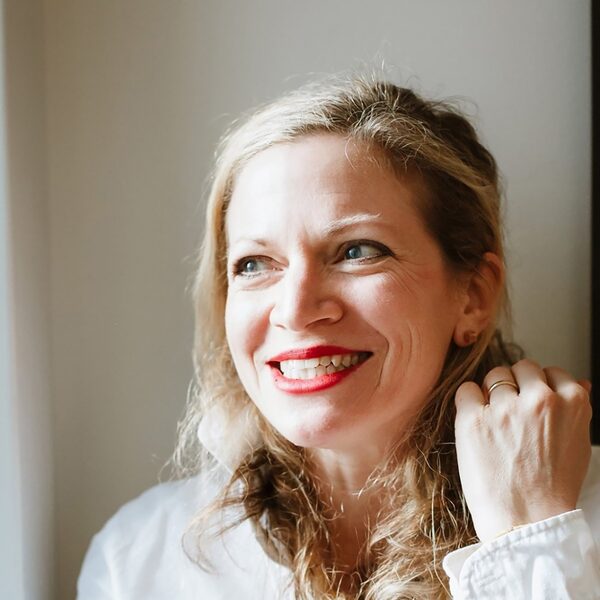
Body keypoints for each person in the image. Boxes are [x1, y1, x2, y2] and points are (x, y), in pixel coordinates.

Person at [77, 73, 600, 599]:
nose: (295, 310)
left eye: (358, 251)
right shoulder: (136, 560)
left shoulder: (581, 523)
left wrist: (528, 541)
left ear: (473, 296)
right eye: (255, 264)